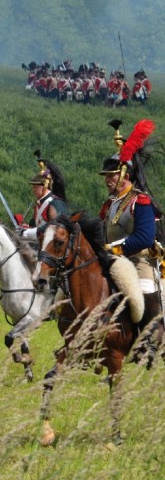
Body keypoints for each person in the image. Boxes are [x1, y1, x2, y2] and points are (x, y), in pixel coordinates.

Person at [99, 119, 162, 339]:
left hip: (139, 261)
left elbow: (145, 237)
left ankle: (152, 338)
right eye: (106, 176)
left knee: (143, 292)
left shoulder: (141, 201)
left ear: (125, 175)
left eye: (111, 175)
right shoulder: (110, 203)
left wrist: (114, 249)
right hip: (112, 260)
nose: (107, 179)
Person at [20, 152, 69, 240]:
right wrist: (27, 227)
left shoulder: (55, 203)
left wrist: (28, 233)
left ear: (45, 185)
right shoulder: (39, 204)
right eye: (33, 187)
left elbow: (54, 226)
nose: (34, 190)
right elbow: (39, 224)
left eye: (36, 187)